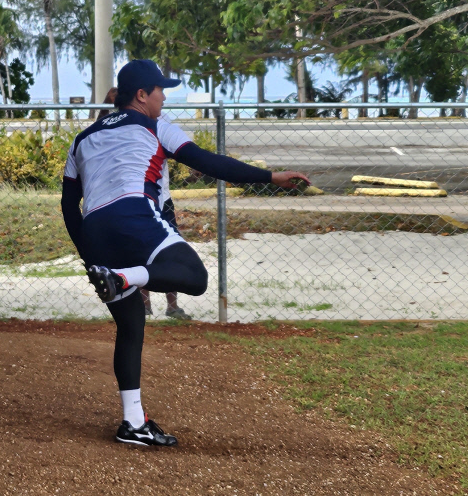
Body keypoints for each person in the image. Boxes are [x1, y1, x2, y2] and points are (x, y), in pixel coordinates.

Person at [61, 60, 308, 447]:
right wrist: (270, 177)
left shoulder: (82, 138)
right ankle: (125, 278)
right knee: (195, 277)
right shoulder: (154, 125)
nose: (163, 97)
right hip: (134, 215)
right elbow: (207, 162)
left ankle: (133, 422)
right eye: (160, 90)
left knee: (131, 326)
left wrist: (89, 256)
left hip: (95, 230)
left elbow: (68, 204)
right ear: (141, 95)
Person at [101, 87, 189, 320]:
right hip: (133, 200)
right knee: (137, 252)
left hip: (161, 198)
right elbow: (98, 131)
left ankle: (173, 306)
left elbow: (179, 148)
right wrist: (106, 104)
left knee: (170, 251)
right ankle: (145, 306)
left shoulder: (160, 120)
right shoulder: (119, 119)